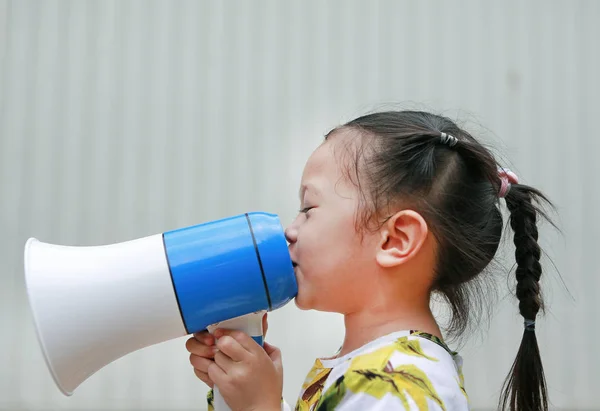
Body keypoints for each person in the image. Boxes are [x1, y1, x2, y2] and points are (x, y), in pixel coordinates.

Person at [185, 110, 554, 411]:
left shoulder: (404, 385)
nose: (290, 231)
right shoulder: (380, 370)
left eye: (309, 208)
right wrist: (238, 392)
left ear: (396, 240)